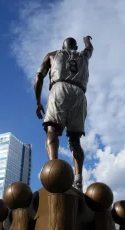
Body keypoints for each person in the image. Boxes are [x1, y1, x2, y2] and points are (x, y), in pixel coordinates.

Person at [34, 36, 93, 192]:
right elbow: (89, 49)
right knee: (75, 140)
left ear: (63, 47)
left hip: (59, 89)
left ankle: (54, 170)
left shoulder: (52, 55)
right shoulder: (83, 56)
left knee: (52, 130)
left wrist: (38, 102)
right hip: (79, 94)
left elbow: (39, 76)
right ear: (75, 47)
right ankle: (78, 180)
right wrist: (87, 40)